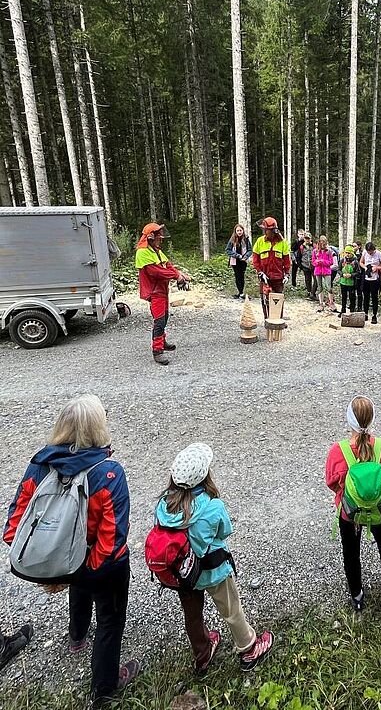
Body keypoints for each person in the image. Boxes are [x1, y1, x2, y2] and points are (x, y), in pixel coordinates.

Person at [4, 395, 140, 705]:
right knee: (110, 619)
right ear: (98, 429)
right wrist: (88, 567)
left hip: (64, 560)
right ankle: (104, 689)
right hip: (102, 565)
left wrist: (62, 564)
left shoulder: (39, 465)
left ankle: (77, 636)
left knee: (76, 587)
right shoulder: (108, 472)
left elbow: (15, 523)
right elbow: (114, 535)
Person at [155, 443, 274, 672]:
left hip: (183, 573)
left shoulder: (164, 505)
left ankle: (202, 653)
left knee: (193, 616)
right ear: (204, 476)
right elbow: (224, 531)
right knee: (231, 610)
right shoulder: (213, 506)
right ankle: (248, 648)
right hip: (213, 570)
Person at [325, 397, 381, 612]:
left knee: (350, 550)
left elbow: (331, 483)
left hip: (350, 512)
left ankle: (357, 595)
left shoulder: (338, 451)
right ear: (372, 419)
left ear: (349, 420)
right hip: (378, 507)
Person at [135, 222, 191, 365]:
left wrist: (179, 274)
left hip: (162, 290)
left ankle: (163, 341)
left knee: (164, 317)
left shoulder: (156, 250)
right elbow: (156, 272)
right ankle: (157, 351)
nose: (161, 237)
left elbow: (167, 265)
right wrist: (176, 276)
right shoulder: (142, 252)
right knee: (159, 320)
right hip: (154, 291)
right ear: (151, 236)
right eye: (159, 235)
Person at [252, 217, 291, 320]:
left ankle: (278, 320)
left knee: (278, 299)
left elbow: (287, 261)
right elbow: (255, 260)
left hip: (278, 277)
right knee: (265, 300)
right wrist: (260, 272)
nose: (265, 232)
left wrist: (287, 274)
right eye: (264, 229)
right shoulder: (260, 241)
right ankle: (267, 320)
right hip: (264, 277)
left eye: (266, 230)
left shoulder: (282, 243)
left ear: (273, 230)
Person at [361, 241, 381, 325]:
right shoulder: (365, 252)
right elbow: (361, 262)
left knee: (374, 297)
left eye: (371, 252)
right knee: (366, 297)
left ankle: (374, 315)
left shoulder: (380, 254)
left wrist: (377, 268)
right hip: (366, 278)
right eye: (369, 252)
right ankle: (365, 313)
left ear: (374, 250)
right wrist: (365, 267)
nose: (370, 253)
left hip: (375, 279)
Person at [225, 223, 253, 300]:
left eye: (240, 230)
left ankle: (241, 292)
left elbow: (250, 250)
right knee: (237, 276)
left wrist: (246, 256)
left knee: (242, 276)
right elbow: (228, 250)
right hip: (235, 261)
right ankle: (240, 293)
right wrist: (237, 255)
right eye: (238, 231)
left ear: (243, 231)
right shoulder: (232, 239)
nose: (239, 232)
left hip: (243, 261)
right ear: (235, 231)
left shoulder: (246, 239)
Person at [312, 235, 336, 313]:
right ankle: (321, 303)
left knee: (329, 287)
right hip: (318, 270)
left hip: (326, 271)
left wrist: (323, 261)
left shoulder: (329, 251)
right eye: (321, 242)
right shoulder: (315, 251)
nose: (322, 244)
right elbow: (313, 261)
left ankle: (331, 303)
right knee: (320, 287)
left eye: (324, 242)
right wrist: (317, 262)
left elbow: (331, 262)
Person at [338, 245, 360, 315]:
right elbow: (338, 270)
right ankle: (343, 310)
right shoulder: (342, 260)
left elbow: (358, 272)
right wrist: (342, 274)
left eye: (349, 253)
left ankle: (352, 310)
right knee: (343, 297)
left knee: (352, 297)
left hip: (351, 283)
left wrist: (351, 275)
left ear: (352, 253)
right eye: (346, 253)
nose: (347, 254)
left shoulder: (355, 262)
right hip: (343, 282)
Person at [300, 233, 316, 300]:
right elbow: (299, 256)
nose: (307, 240)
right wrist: (300, 265)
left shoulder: (314, 246)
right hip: (305, 265)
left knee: (316, 280)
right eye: (306, 238)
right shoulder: (301, 247)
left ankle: (313, 293)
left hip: (314, 266)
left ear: (311, 239)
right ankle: (309, 292)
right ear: (304, 239)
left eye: (308, 238)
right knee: (307, 280)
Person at [353, 241, 365, 311]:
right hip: (353, 275)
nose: (353, 248)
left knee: (359, 291)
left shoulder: (361, 254)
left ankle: (359, 306)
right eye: (352, 246)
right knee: (352, 290)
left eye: (355, 246)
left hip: (360, 275)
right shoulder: (350, 255)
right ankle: (353, 304)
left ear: (359, 246)